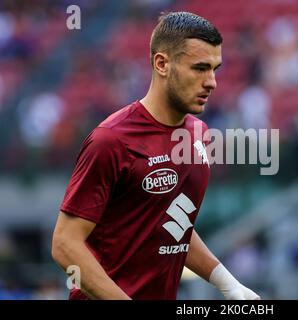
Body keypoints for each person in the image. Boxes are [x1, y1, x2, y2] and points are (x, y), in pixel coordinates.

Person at [51, 11, 260, 300]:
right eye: (199, 68)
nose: (212, 82)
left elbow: (172, 224)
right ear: (162, 64)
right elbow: (64, 243)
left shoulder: (198, 134)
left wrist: (228, 283)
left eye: (215, 69)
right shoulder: (111, 140)